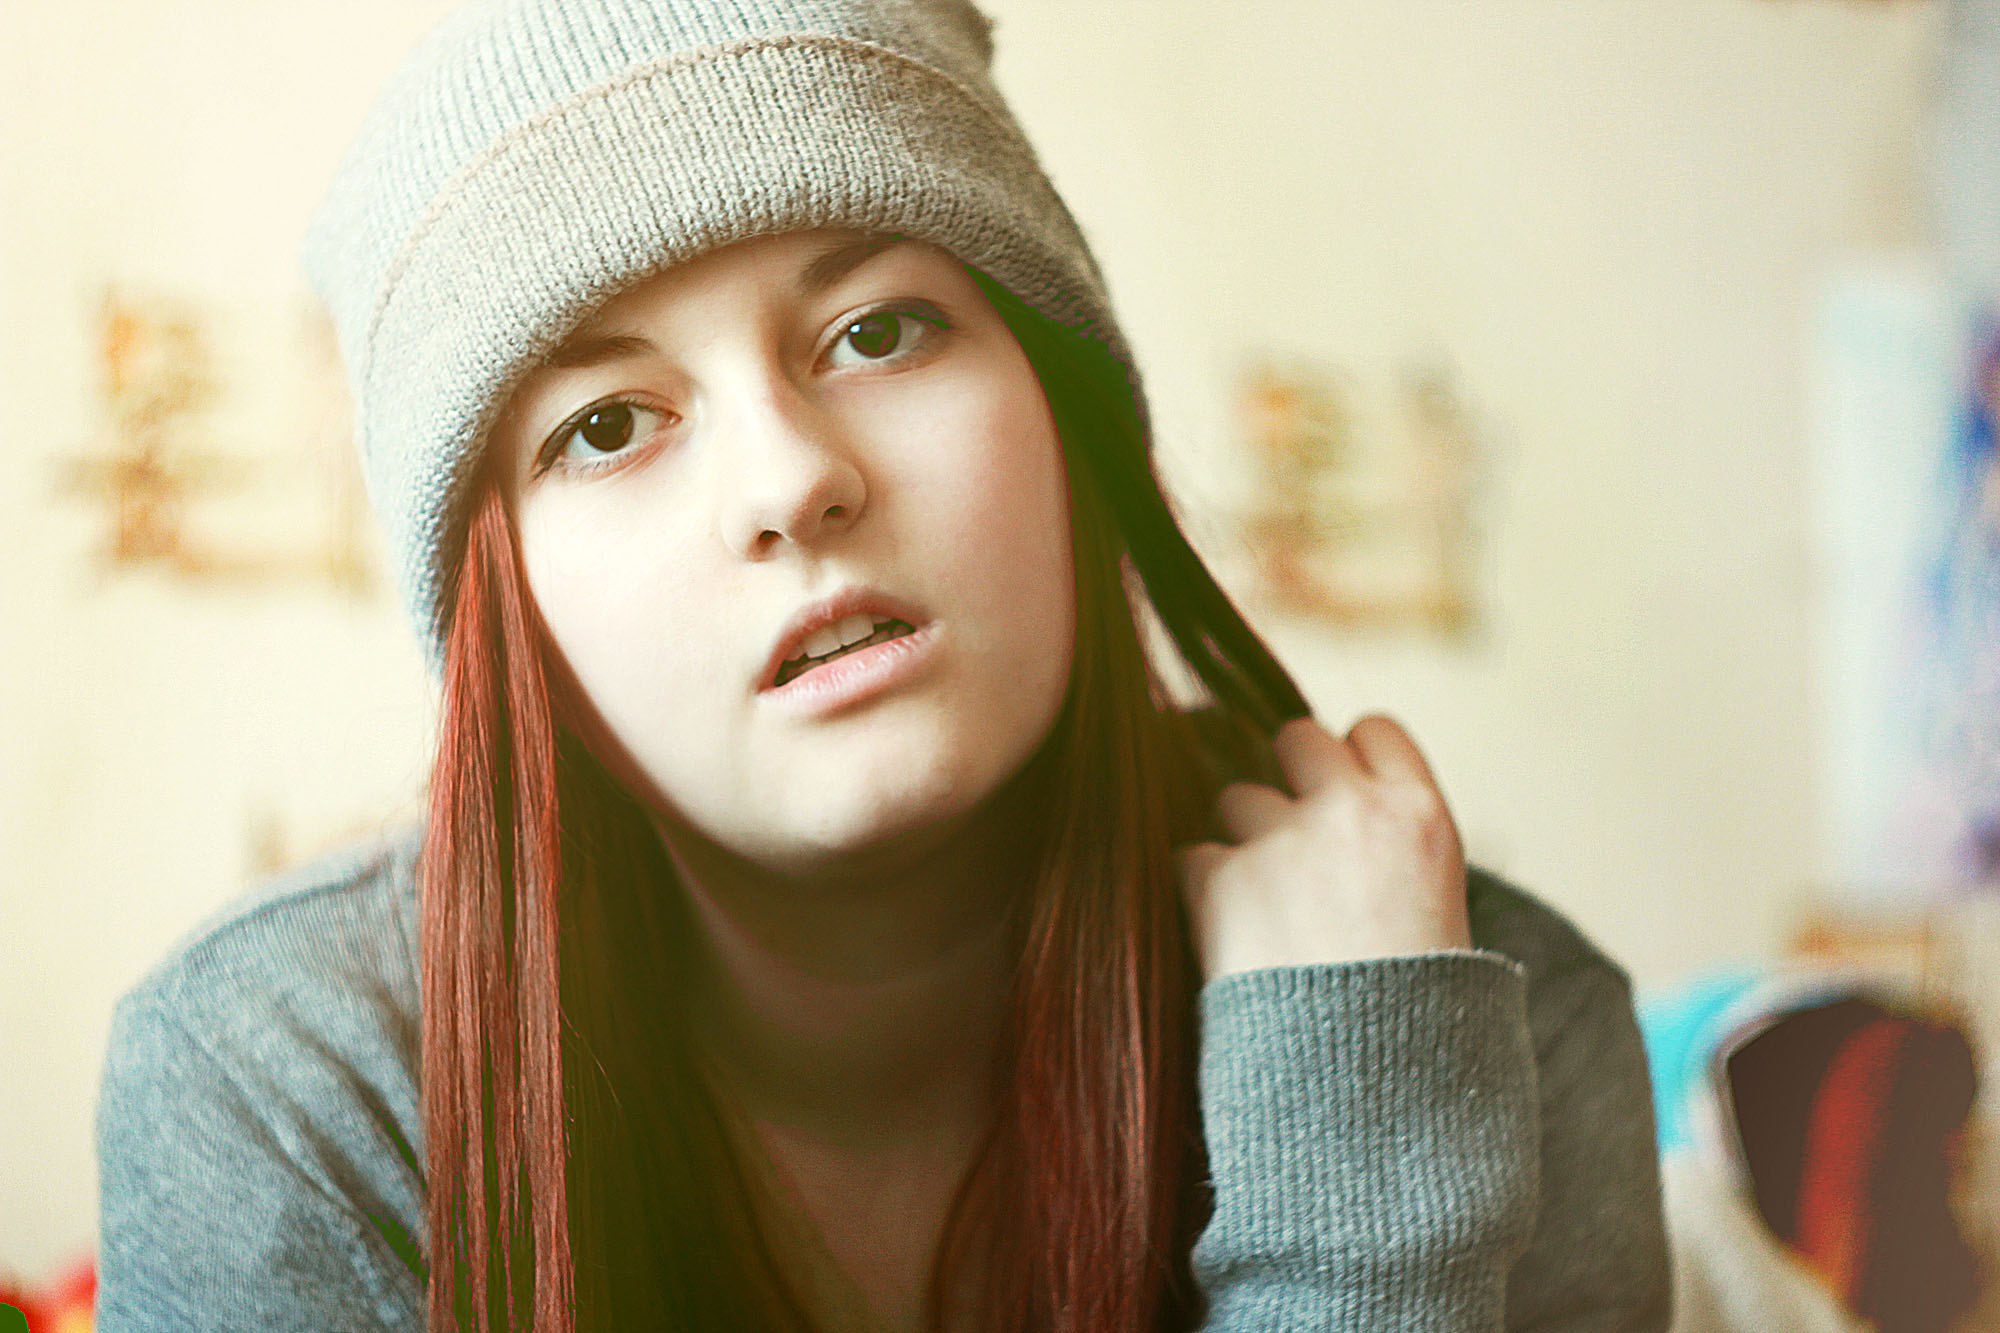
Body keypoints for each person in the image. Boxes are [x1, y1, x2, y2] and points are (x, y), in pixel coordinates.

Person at [91, 1, 1673, 1328]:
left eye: (877, 332)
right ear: (506, 625)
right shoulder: (285, 1091)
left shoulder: (1484, 1024)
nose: (792, 480)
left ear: (1067, 413)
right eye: (609, 425)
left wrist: (1367, 1141)